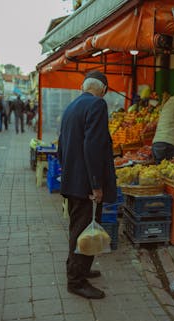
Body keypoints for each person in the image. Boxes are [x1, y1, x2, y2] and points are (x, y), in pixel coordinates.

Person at [58, 70, 117, 299]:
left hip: (73, 181)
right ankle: (76, 281)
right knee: (84, 229)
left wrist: (70, 174)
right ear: (103, 89)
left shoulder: (71, 107)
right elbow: (93, 147)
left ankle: (79, 268)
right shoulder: (97, 105)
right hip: (86, 184)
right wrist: (95, 184)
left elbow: (62, 146)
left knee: (79, 228)